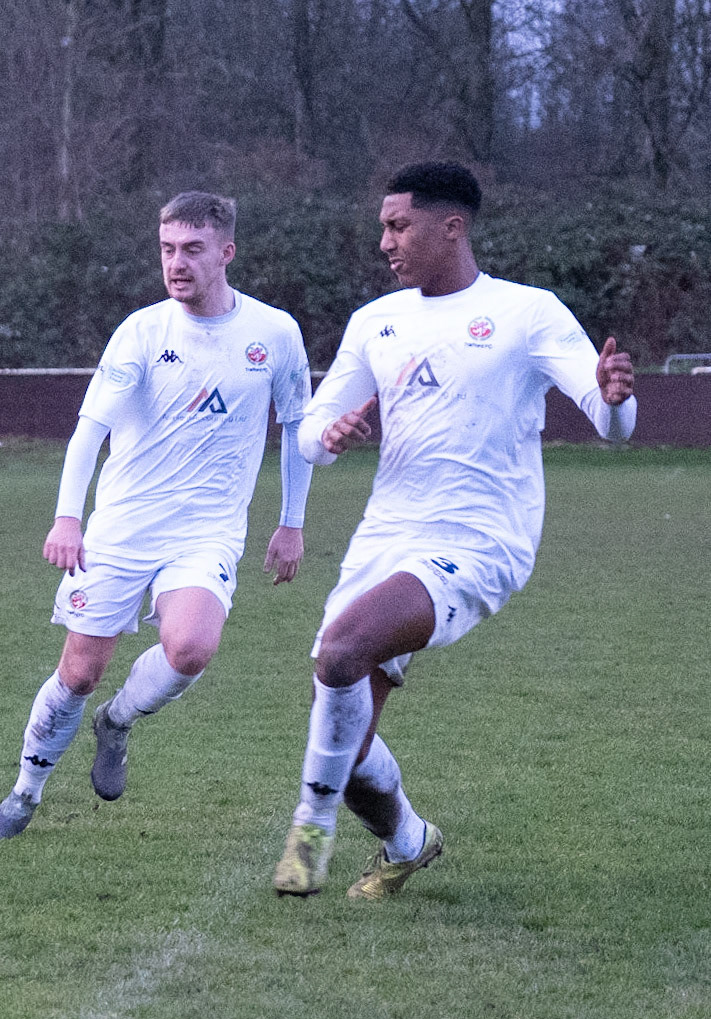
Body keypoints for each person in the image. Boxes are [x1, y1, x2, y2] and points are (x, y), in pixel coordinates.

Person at [271, 162, 637, 900]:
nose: (384, 242)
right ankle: (408, 842)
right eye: (382, 226)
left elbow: (608, 421)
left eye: (397, 225)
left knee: (341, 652)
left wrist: (614, 398)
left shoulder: (525, 312)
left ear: (451, 227)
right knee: (345, 737)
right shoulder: (375, 321)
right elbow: (308, 431)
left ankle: (306, 833)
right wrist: (329, 436)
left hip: (479, 540)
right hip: (385, 535)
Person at [0, 191, 314, 840]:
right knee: (79, 671)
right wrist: (66, 518)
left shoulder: (273, 334)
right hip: (121, 527)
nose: (175, 263)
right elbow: (88, 428)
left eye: (190, 249)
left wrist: (291, 522)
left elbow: (297, 424)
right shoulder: (141, 331)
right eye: (165, 249)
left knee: (189, 648)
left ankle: (118, 721)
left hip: (206, 530)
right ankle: (24, 793)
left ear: (225, 252)